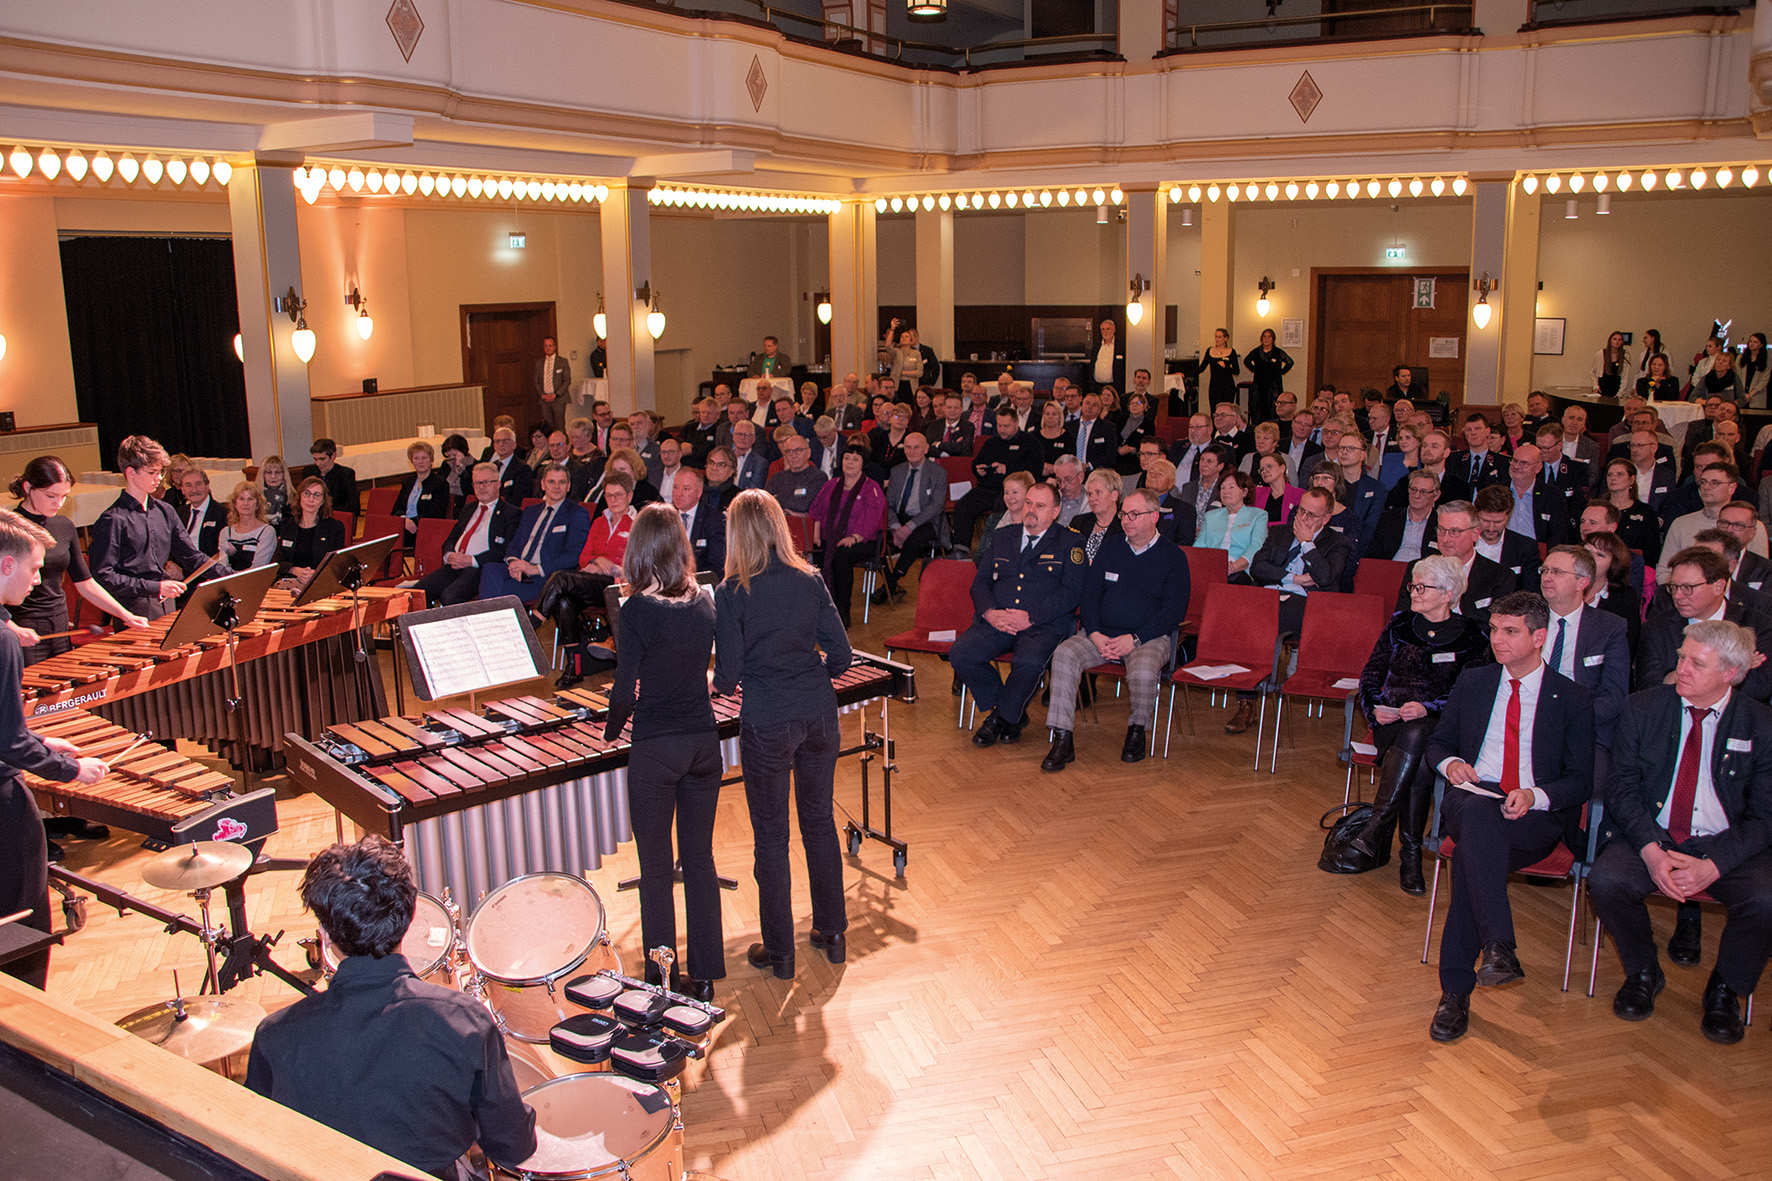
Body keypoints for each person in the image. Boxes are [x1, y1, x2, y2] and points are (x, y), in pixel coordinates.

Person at [246, 835, 537, 1177]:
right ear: (410, 916)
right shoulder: (465, 1022)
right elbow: (514, 1147)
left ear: (324, 935)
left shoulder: (275, 1036)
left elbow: (259, 1143)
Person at [1586, 620, 1772, 1044]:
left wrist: (1716, 864)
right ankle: (1643, 970)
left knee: (1766, 899)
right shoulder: (1643, 707)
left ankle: (1726, 988)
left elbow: (1765, 816)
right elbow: (1621, 788)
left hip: (1728, 843)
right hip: (1655, 833)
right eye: (1681, 658)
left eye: (1696, 663)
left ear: (1730, 673)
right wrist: (1651, 849)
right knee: (1607, 880)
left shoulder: (1761, 725)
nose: (1681, 670)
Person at [1423, 591, 1595, 1043]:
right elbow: (1438, 744)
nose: (1498, 639)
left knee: (1472, 858)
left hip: (1533, 814)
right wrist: (1450, 765)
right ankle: (1496, 946)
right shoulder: (1475, 682)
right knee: (1479, 815)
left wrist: (1535, 795)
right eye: (1495, 629)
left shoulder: (1572, 698)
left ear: (1539, 636)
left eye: (1510, 631)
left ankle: (1457, 991)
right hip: (1474, 795)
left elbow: (1581, 780)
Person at [714, 490, 852, 980]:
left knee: (771, 838)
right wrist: (807, 668)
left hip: (768, 721)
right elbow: (841, 656)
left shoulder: (731, 592)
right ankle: (832, 933)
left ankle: (781, 952)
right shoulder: (810, 579)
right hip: (819, 714)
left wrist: (718, 679)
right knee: (818, 824)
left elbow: (728, 677)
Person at [603, 505, 722, 1000]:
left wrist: (609, 732)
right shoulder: (705, 601)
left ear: (639, 550)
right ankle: (708, 975)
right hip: (703, 745)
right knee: (699, 858)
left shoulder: (634, 610)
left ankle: (659, 975)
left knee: (656, 865)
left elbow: (626, 690)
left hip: (655, 749)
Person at [1326, 555, 1491, 888]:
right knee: (1415, 743)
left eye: (1421, 587)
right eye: (1412, 585)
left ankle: (1380, 828)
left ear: (1448, 594)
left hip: (1443, 726)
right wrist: (1375, 708)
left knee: (1419, 733)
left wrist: (1428, 707)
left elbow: (1471, 696)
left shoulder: (1472, 636)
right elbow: (1371, 673)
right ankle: (1410, 857)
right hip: (1391, 725)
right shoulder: (1401, 623)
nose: (1413, 592)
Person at [0, 509, 109, 990]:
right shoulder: (3, 640)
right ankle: (27, 1024)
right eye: (35, 568)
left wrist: (40, 739)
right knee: (23, 914)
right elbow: (6, 741)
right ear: (6, 565)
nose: (41, 579)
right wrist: (70, 769)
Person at [1041, 487, 1189, 771]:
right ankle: (1062, 737)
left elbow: (1173, 611)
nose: (1127, 520)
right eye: (1124, 514)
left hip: (1147, 636)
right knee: (1064, 654)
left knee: (1145, 670)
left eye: (1135, 514)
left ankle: (1137, 731)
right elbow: (1090, 595)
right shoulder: (1111, 547)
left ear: (1155, 517)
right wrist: (1094, 632)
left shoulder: (1173, 557)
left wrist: (1135, 638)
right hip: (1102, 633)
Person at [952, 482, 1085, 747]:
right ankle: (1012, 715)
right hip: (998, 620)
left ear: (1056, 511)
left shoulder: (1070, 541)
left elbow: (1071, 593)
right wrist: (990, 612)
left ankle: (998, 719)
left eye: (1040, 505)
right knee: (961, 654)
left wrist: (1031, 617)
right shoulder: (1004, 536)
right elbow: (980, 583)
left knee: (1028, 663)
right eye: (1028, 503)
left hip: (1041, 625)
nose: (1031, 510)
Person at [1228, 486, 1352, 734]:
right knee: (1243, 618)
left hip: (1307, 606)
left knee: (1257, 625)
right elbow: (1258, 568)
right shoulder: (1280, 532)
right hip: (1273, 594)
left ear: (1326, 518)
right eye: (1301, 511)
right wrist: (1293, 578)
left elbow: (1325, 576)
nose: (1303, 519)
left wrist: (1308, 544)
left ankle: (1258, 693)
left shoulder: (1338, 542)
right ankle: (1246, 701)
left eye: (1311, 515)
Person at [7, 456, 147, 662]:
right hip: (22, 625)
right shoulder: (9, 529)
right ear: (28, 487)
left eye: (64, 496)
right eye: (51, 496)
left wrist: (125, 615)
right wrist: (13, 629)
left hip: (60, 622)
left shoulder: (64, 526)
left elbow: (85, 584)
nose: (59, 503)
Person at [88, 435, 208, 620]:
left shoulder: (165, 511)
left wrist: (235, 576)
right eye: (152, 472)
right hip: (133, 610)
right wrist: (156, 587)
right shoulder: (113, 519)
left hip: (166, 603)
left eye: (160, 472)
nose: (159, 478)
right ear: (130, 473)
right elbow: (104, 576)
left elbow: (191, 556)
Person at [537, 470, 635, 687]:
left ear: (629, 495)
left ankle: (534, 620)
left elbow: (636, 565)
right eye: (609, 495)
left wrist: (612, 568)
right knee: (564, 601)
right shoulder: (600, 521)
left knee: (561, 579)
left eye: (618, 495)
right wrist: (599, 562)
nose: (613, 500)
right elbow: (583, 557)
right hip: (593, 582)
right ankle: (574, 667)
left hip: (618, 585)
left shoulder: (637, 523)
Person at [1637, 547, 1772, 700]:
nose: (1677, 595)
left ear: (1718, 587)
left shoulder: (1756, 624)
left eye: (1687, 588)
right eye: (1673, 587)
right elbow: (1649, 690)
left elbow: (1759, 688)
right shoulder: (1656, 629)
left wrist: (1677, 677)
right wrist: (1733, 671)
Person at [479, 463, 590, 605]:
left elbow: (573, 556)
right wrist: (514, 563)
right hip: (519, 568)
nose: (556, 487)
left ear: (568, 486)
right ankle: (489, 620)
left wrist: (534, 569)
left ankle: (485, 622)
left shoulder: (576, 513)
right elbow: (515, 543)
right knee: (490, 568)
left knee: (499, 594)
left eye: (561, 482)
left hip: (545, 576)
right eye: (551, 482)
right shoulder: (531, 511)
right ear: (543, 485)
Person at [414, 463, 520, 607]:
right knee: (416, 593)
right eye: (477, 483)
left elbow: (506, 549)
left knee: (449, 597)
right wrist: (449, 555)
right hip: (455, 565)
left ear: (498, 484)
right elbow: (450, 539)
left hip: (479, 568)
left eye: (486, 482)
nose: (481, 487)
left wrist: (472, 560)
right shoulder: (469, 509)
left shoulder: (511, 513)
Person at [807, 448, 885, 628]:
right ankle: (822, 607)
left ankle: (842, 609)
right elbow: (816, 510)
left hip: (864, 541)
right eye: (847, 458)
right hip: (829, 537)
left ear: (863, 464)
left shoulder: (871, 487)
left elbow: (872, 518)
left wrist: (855, 537)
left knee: (840, 556)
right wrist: (816, 533)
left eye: (855, 459)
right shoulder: (831, 484)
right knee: (818, 553)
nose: (850, 463)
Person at [952, 408, 1041, 557]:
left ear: (1016, 423)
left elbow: (1035, 470)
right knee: (962, 506)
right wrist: (978, 469)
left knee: (1001, 508)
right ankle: (961, 549)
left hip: (1010, 491)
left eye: (1006, 426)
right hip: (986, 487)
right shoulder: (991, 442)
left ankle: (994, 550)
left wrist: (1007, 469)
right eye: (999, 425)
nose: (1002, 429)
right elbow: (977, 462)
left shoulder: (1030, 442)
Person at [873, 432, 948, 605]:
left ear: (926, 449)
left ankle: (890, 583)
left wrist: (909, 527)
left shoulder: (938, 473)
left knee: (913, 540)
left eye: (916, 447)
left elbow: (936, 506)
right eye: (908, 447)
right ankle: (890, 581)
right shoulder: (897, 471)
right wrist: (896, 526)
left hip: (927, 520)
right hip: (899, 518)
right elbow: (888, 504)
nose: (912, 451)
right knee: (876, 538)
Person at [275, 476, 348, 590]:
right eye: (307, 493)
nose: (311, 499)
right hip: (292, 580)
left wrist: (315, 574)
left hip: (321, 582)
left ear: (323, 500)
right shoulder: (287, 525)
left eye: (317, 495)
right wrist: (295, 570)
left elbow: (337, 564)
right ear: (300, 497)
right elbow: (279, 563)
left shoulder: (334, 528)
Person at [1196, 469, 1267, 578]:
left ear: (1244, 492)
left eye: (1231, 487)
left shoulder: (1258, 515)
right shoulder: (1210, 516)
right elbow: (1199, 547)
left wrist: (1234, 567)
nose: (1225, 491)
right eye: (1223, 488)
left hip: (1241, 569)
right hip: (1211, 567)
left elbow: (1256, 546)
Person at [1472, 486, 1545, 591]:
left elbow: (1531, 592)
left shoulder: (1525, 547)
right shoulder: (1462, 542)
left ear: (1509, 516)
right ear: (1476, 514)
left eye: (1498, 522)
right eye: (1485, 520)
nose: (1491, 528)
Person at [1583, 530, 1642, 652]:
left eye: (1600, 554)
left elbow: (1628, 645)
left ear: (1613, 564)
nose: (1590, 557)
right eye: (1587, 551)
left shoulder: (1625, 596)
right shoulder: (1564, 586)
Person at [1366, 470, 1441, 564]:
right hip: (1391, 570)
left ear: (1436, 495)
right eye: (1413, 489)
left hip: (1426, 573)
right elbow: (1374, 554)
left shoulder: (1441, 522)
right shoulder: (1389, 518)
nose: (1416, 495)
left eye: (1423, 492)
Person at [216, 482, 278, 572]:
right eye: (241, 499)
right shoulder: (226, 532)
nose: (245, 503)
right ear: (235, 503)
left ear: (257, 505)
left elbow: (258, 568)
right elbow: (222, 566)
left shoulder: (267, 532)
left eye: (250, 499)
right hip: (228, 582)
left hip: (253, 581)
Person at [393, 440, 451, 536]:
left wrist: (412, 522)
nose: (420, 462)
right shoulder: (407, 483)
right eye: (416, 458)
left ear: (431, 460)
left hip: (425, 529)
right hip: (404, 526)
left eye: (424, 458)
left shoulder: (440, 483)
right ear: (412, 461)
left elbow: (436, 513)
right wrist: (404, 520)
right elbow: (396, 508)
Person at [1067, 468, 1124, 565]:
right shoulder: (1078, 522)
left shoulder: (1124, 526)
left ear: (1114, 495)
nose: (1092, 498)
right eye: (1090, 494)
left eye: (1098, 492)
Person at [766, 433, 826, 515]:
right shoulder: (777, 477)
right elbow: (766, 503)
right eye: (789, 451)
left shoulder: (818, 477)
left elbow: (804, 505)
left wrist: (777, 498)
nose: (793, 455)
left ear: (808, 453)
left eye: (798, 450)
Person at [1243, 328, 1292, 425]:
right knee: (1257, 408)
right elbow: (1246, 361)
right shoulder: (1257, 352)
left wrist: (1281, 372)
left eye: (1269, 337)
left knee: (1273, 408)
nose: (1266, 339)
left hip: (1273, 385)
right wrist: (1254, 370)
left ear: (1273, 339)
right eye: (1264, 336)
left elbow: (1290, 362)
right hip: (1259, 384)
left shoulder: (1277, 352)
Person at [303, 438, 359, 517]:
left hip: (335, 517)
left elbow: (354, 507)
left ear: (333, 455)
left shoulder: (345, 474)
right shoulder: (309, 472)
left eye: (322, 459)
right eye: (315, 459)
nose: (318, 464)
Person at [1063, 392, 1118, 472]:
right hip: (1070, 471)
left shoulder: (1108, 428)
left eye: (1094, 405)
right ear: (1081, 406)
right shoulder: (1068, 426)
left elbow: (1111, 455)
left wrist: (1089, 466)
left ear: (1100, 410)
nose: (1090, 407)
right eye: (1087, 403)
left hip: (1095, 472)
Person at [1253, 453, 1303, 528]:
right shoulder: (1258, 493)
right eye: (1262, 469)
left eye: (1269, 466)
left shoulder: (1299, 494)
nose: (1264, 471)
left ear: (1282, 468)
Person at [487, 426, 534, 505]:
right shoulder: (490, 467)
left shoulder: (522, 469)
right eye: (497, 441)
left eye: (505, 441)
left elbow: (518, 499)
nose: (501, 444)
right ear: (494, 446)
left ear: (514, 445)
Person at [534, 335, 571, 431]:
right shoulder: (539, 363)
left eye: (550, 345)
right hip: (545, 399)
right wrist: (543, 395)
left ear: (555, 347)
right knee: (547, 427)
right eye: (546, 346)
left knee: (560, 426)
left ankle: (562, 444)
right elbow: (537, 382)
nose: (548, 348)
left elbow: (567, 380)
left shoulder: (562, 361)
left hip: (559, 399)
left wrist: (556, 395)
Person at [1113, 391, 1154, 475]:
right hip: (1117, 457)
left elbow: (1149, 443)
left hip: (1135, 460)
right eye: (1132, 403)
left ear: (1144, 406)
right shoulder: (1121, 418)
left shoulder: (1148, 423)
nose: (1134, 405)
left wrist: (1134, 450)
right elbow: (1113, 436)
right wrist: (1118, 450)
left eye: (1138, 403)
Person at [1203, 327, 1240, 407]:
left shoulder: (1231, 352)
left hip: (1227, 386)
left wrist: (1225, 367)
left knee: (1226, 411)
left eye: (1219, 337)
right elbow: (1202, 367)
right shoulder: (1210, 350)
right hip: (1214, 386)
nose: (1217, 339)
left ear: (1226, 338)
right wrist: (1185, 374)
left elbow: (1236, 371)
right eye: (1216, 336)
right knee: (1214, 410)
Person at [1592, 330, 1633, 397]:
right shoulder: (1601, 354)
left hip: (1616, 389)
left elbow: (1625, 377)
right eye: (1614, 339)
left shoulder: (1625, 355)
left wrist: (1620, 393)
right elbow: (1592, 372)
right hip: (1602, 388)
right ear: (1610, 341)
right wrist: (1595, 386)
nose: (1617, 342)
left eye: (1619, 340)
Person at [1090, 318, 1125, 394]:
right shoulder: (1096, 346)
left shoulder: (1121, 346)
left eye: (1108, 329)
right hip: (1098, 386)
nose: (1105, 332)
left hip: (1115, 387)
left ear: (1114, 330)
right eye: (1103, 329)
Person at [258, 454, 290, 526]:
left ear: (284, 474)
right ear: (263, 474)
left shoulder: (292, 496)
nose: (273, 476)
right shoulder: (256, 496)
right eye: (269, 472)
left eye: (278, 472)